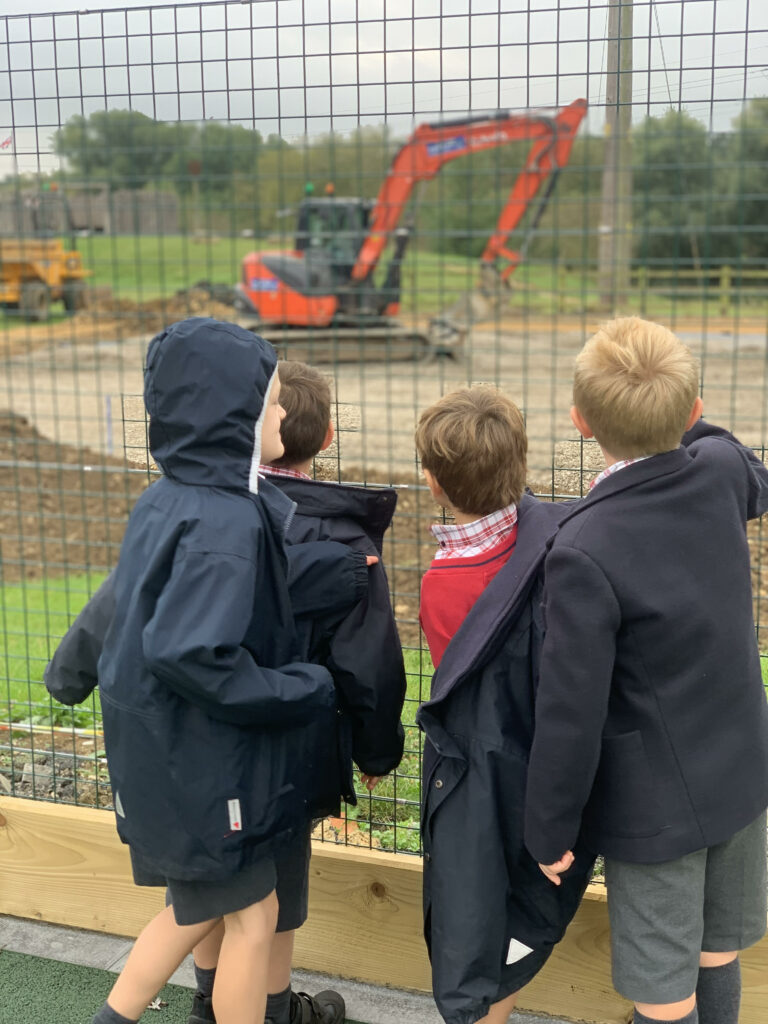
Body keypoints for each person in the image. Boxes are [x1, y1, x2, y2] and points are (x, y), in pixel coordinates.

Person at [79, 317, 367, 1024]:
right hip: (202, 757)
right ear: (231, 416)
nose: (283, 412)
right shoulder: (227, 523)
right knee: (250, 917)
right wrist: (303, 687)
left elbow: (121, 602)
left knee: (197, 909)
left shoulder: (165, 499)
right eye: (270, 400)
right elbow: (191, 652)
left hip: (158, 747)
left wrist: (68, 668)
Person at [525, 317, 768, 1024]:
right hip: (741, 770)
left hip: (655, 804)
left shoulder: (582, 545)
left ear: (579, 423)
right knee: (717, 949)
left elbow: (571, 710)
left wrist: (549, 827)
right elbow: (731, 451)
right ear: (692, 412)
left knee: (663, 993)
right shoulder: (720, 475)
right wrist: (685, 418)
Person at [185, 359, 407, 1024]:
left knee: (211, 879)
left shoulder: (207, 513)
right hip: (292, 749)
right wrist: (377, 752)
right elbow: (369, 663)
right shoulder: (344, 538)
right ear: (329, 436)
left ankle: (208, 1000)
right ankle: (277, 1010)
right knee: (275, 894)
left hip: (203, 739)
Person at [414, 385, 595, 1024]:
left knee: (481, 916)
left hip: (486, 776)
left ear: (434, 484)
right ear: (521, 465)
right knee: (521, 913)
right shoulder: (562, 545)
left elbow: (458, 685)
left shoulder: (443, 586)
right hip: (550, 763)